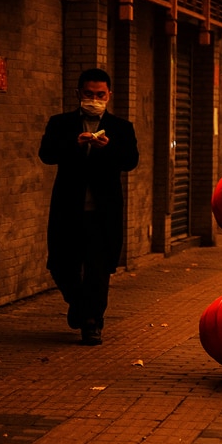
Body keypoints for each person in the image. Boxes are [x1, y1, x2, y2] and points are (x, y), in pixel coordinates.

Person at [39, 68, 139, 345]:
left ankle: (92, 323)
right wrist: (74, 144)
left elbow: (130, 161)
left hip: (103, 212)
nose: (93, 99)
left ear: (108, 96)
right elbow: (46, 154)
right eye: (88, 94)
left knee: (98, 268)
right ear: (78, 94)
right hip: (68, 209)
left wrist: (108, 149)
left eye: (99, 95)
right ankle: (79, 304)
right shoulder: (60, 124)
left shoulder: (121, 127)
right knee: (61, 264)